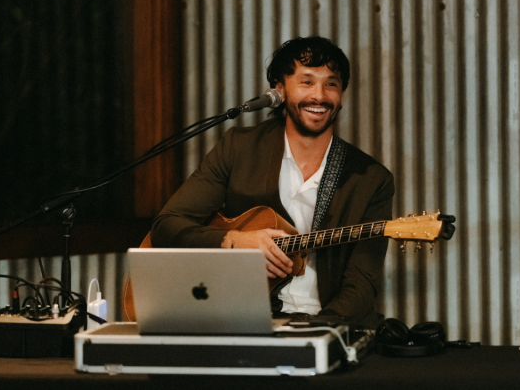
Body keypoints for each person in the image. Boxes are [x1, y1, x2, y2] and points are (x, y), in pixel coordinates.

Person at [151, 36, 394, 328]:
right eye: (306, 81)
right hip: (241, 320)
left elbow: (362, 284)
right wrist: (234, 241)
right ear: (279, 89)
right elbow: (168, 225)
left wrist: (316, 334)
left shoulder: (371, 178)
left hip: (324, 324)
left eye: (331, 83)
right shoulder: (239, 148)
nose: (319, 95)